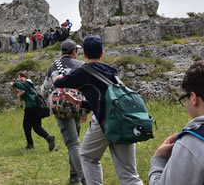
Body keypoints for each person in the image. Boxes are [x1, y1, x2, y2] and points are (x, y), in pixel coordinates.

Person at [54, 36, 143, 185]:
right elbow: (104, 99)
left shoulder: (83, 71)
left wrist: (58, 78)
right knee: (129, 174)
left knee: (88, 157)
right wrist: (77, 102)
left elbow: (60, 83)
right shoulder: (111, 72)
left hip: (105, 121)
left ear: (85, 55)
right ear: (102, 53)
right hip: (124, 119)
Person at [41, 39, 86, 185]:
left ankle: (84, 179)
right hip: (78, 104)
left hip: (61, 107)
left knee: (73, 143)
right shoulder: (81, 66)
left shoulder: (53, 66)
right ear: (74, 52)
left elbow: (44, 89)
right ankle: (75, 177)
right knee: (75, 141)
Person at [9, 71, 56, 151]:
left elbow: (14, 84)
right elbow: (21, 97)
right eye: (18, 77)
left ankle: (30, 145)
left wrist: (13, 84)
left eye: (20, 77)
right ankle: (49, 138)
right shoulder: (29, 85)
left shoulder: (26, 83)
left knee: (26, 126)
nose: (19, 79)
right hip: (36, 108)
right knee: (36, 127)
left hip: (30, 108)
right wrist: (18, 92)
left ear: (25, 77)